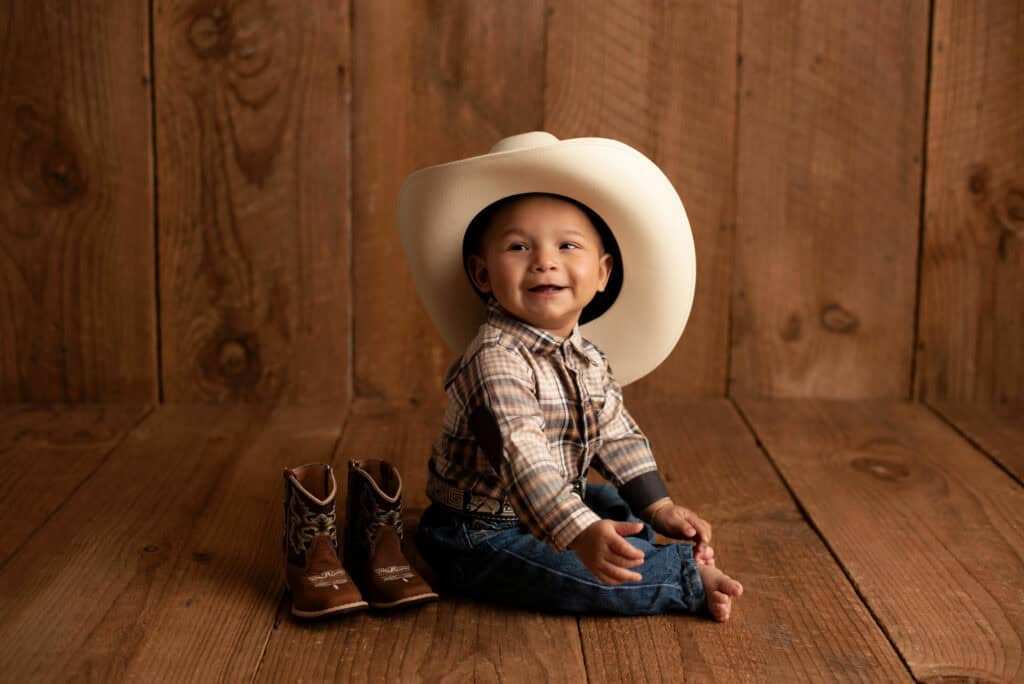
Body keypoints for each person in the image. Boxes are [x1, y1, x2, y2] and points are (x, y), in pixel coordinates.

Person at [397, 132, 743, 619]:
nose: (545, 260)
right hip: (479, 529)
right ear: (481, 274)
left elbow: (615, 432)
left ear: (602, 273)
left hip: (554, 501)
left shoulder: (585, 356)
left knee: (613, 506)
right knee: (584, 576)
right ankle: (680, 575)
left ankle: (645, 540)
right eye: (518, 246)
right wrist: (579, 531)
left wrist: (658, 506)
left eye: (567, 245)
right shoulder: (494, 360)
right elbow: (523, 458)